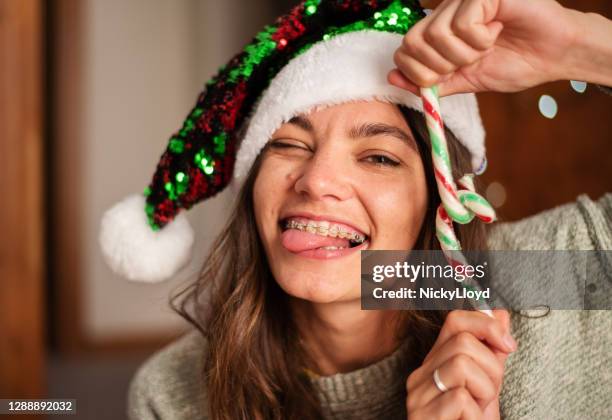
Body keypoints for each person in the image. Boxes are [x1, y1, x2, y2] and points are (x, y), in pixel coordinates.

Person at [97, 0, 611, 418]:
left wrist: (582, 49)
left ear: (441, 198)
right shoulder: (174, 394)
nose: (317, 181)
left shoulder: (558, 274)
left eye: (379, 157)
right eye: (288, 145)